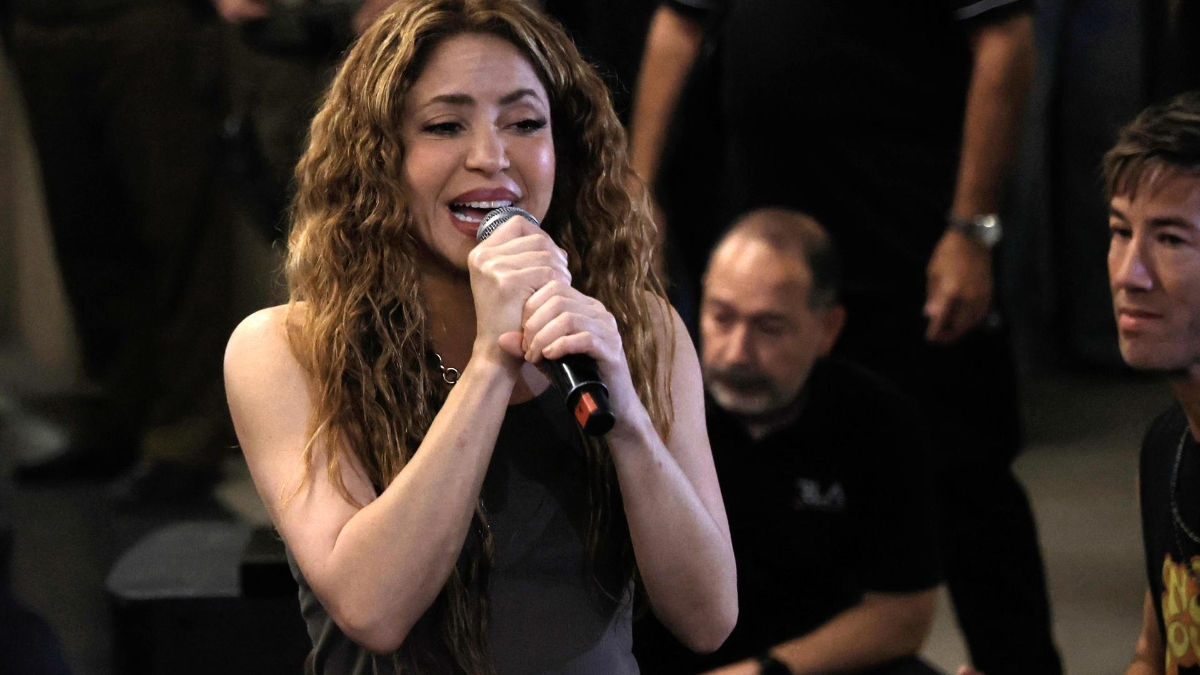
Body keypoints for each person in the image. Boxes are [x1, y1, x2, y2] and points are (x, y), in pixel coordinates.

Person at [222, 0, 738, 672]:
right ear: (379, 156)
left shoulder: (640, 329)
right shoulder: (283, 349)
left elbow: (708, 618)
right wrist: (491, 363)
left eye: (525, 123)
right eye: (444, 125)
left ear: (566, 147)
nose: (491, 157)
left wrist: (631, 422)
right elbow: (373, 607)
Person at [629, 3, 1059, 673]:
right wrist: (638, 188)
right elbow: (678, 26)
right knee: (749, 460)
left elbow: (1006, 41)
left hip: (907, 222)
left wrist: (973, 227)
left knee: (968, 477)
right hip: (763, 216)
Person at [635, 207, 943, 675]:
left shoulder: (880, 421)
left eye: (769, 327)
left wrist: (766, 671)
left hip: (808, 664)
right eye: (721, 318)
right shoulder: (651, 408)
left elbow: (904, 615)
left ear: (828, 328)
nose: (737, 352)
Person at [1103, 92, 1200, 675]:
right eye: (1120, 231)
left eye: (1170, 239)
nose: (1128, 274)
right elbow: (1152, 659)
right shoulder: (1167, 446)